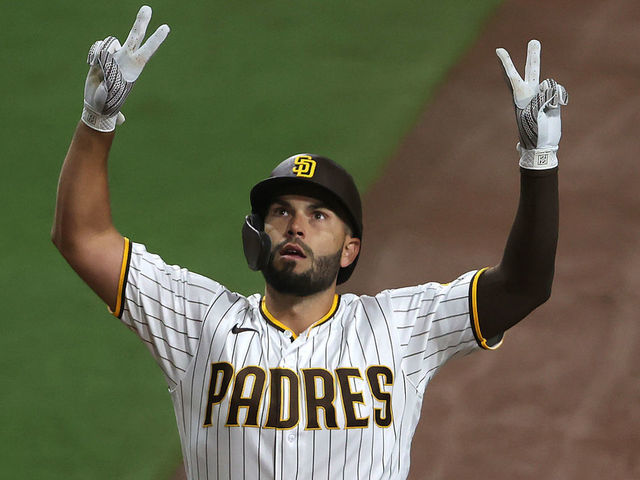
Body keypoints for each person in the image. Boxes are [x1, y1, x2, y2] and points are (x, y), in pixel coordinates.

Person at [52, 6, 568, 480]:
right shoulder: (200, 322)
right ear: (259, 234)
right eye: (281, 212)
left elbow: (523, 286)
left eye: (318, 215)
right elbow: (82, 237)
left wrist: (538, 160)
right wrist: (96, 122)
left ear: (350, 248)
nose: (295, 225)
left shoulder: (399, 329)